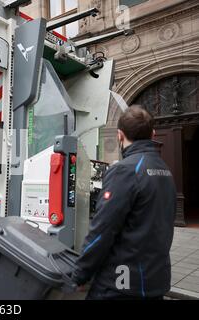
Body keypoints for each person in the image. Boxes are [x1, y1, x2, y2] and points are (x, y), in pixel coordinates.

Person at [71, 105, 177, 300]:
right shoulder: (165, 170)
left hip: (121, 284)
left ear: (120, 135)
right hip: (155, 280)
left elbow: (102, 230)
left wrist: (80, 274)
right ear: (152, 133)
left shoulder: (125, 170)